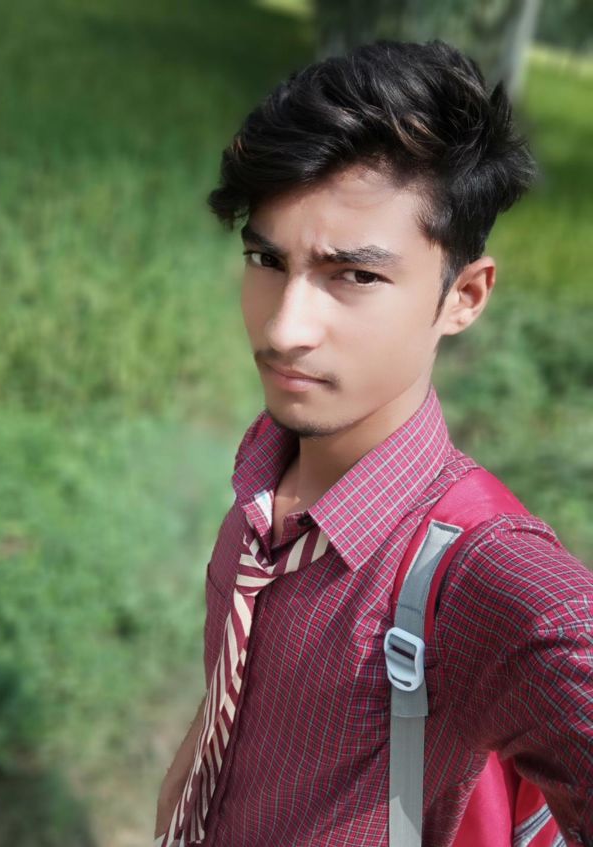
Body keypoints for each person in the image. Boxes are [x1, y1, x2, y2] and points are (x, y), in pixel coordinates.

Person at [153, 39, 593, 847]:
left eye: (354, 275)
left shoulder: (483, 574)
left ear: (464, 296)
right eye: (266, 258)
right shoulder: (265, 474)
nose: (284, 329)